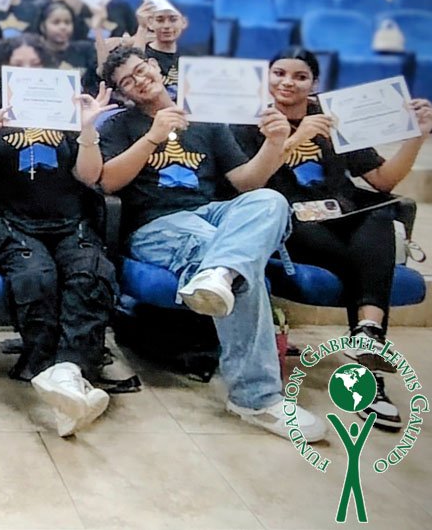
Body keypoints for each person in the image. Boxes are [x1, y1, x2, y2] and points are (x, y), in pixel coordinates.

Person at [97, 45, 327, 441]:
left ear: (155, 67)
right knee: (241, 266)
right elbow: (107, 182)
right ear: (122, 93)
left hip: (212, 214)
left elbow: (246, 183)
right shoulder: (120, 125)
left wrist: (275, 142)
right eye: (127, 82)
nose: (139, 81)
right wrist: (152, 137)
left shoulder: (206, 117)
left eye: (141, 70)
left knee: (270, 201)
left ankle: (219, 272)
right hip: (156, 225)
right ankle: (255, 398)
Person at [233, 47, 432, 430]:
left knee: (379, 214)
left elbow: (383, 180)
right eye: (279, 73)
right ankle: (369, 379)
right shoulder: (250, 122)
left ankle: (367, 336)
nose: (288, 83)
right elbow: (249, 184)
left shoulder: (336, 118)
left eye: (300, 76)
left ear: (314, 83)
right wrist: (299, 136)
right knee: (367, 264)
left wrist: (416, 138)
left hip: (343, 217)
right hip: (289, 222)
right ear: (266, 77)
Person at [0, 39, 117, 436]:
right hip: (10, 222)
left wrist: (87, 129)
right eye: (18, 64)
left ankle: (66, 376)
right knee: (36, 276)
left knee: (89, 274)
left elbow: (89, 176)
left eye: (35, 64)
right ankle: (59, 375)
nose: (28, 71)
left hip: (68, 220)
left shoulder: (68, 110)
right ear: (3, 71)